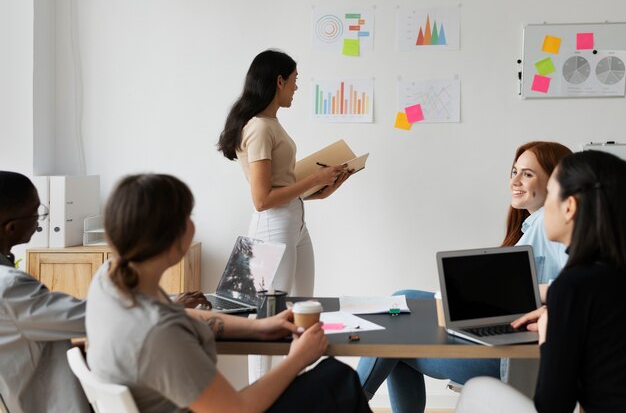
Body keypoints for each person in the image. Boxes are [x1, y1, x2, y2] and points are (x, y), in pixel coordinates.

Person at [86, 173, 371, 413]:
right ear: (172, 240)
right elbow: (237, 410)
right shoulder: (160, 336)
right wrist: (299, 358)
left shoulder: (109, 280)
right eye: (188, 216)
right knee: (339, 381)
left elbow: (179, 315)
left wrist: (259, 327)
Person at [356, 141, 572, 413]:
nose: (515, 181)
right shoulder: (532, 225)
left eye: (527, 174)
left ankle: (348, 401)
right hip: (504, 340)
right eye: (514, 172)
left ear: (555, 182)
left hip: (515, 357)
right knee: (401, 309)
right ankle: (351, 399)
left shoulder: (546, 223)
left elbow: (572, 287)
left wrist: (521, 292)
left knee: (396, 326)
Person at [456, 150, 626, 413]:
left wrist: (550, 335)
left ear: (569, 207)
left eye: (551, 194)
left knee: (479, 388)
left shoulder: (573, 286)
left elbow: (554, 405)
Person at [217, 49, 351, 381]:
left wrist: (322, 188)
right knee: (265, 320)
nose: (296, 88)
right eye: (294, 81)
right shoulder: (260, 128)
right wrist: (314, 179)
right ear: (279, 81)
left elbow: (280, 186)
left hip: (293, 222)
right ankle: (260, 397)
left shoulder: (270, 124)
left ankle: (296, 389)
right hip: (272, 227)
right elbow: (262, 199)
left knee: (305, 307)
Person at [0, 171, 89, 413]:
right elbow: (93, 318)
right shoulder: (10, 288)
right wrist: (171, 303)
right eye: (36, 212)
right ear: (11, 227)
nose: (40, 220)